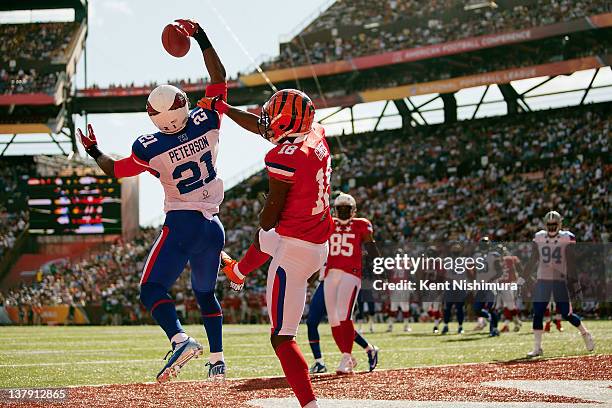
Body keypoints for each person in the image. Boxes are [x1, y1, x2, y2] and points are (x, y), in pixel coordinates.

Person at [78, 19, 228, 382]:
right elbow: (219, 78)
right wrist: (201, 37)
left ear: (153, 116)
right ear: (184, 105)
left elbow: (115, 170)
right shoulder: (207, 121)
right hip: (214, 227)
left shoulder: (150, 147)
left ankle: (179, 338)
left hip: (182, 224)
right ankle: (218, 362)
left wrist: (94, 149)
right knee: (205, 294)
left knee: (151, 288)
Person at [212, 88, 333, 408]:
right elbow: (261, 127)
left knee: (282, 336)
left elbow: (270, 216)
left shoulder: (281, 157)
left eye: (271, 117)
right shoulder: (316, 134)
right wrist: (223, 108)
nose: (265, 121)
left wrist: (264, 211)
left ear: (285, 123)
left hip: (294, 254)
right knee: (266, 239)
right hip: (319, 242)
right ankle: (236, 271)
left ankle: (310, 404)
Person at [308, 193, 380, 375]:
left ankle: (346, 356)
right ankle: (349, 355)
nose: (343, 212)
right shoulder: (329, 223)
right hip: (330, 274)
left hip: (351, 273)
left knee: (343, 315)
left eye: (346, 209)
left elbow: (371, 247)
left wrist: (379, 269)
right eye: (340, 208)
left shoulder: (361, 224)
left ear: (353, 210)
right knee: (333, 320)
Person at [525, 211, 594, 357]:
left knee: (566, 314)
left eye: (554, 224)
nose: (551, 227)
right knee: (537, 313)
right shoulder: (539, 237)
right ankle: (537, 348)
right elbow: (533, 259)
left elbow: (571, 262)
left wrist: (574, 282)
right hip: (543, 280)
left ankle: (585, 333)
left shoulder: (566, 238)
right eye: (549, 225)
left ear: (559, 224)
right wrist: (522, 278)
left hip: (559, 281)